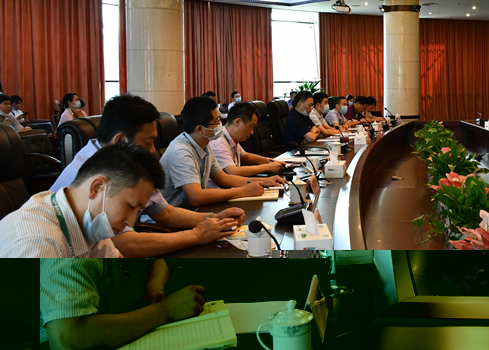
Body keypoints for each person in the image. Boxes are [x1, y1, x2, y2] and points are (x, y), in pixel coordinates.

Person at [48, 94, 246, 258]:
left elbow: (165, 213)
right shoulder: (94, 175)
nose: (152, 151)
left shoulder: (127, 164)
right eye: (147, 143)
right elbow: (125, 244)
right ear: (120, 141)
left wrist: (214, 218)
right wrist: (196, 235)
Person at [0, 142, 164, 258]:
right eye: (130, 206)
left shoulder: (88, 221)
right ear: (97, 188)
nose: (131, 221)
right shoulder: (38, 245)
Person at [40, 258, 207, 350]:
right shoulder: (72, 256)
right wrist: (165, 309)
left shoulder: (118, 228)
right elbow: (66, 341)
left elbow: (155, 260)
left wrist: (154, 287)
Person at [160, 96, 286, 209]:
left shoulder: (204, 143)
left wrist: (264, 181)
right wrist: (244, 191)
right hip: (170, 220)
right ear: (200, 129)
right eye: (216, 122)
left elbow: (223, 178)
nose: (220, 125)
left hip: (194, 210)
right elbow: (196, 197)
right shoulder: (181, 152)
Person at [208, 102, 287, 177]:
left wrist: (271, 161)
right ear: (237, 122)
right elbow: (233, 172)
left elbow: (246, 156)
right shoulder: (218, 142)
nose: (252, 132)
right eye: (251, 126)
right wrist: (268, 167)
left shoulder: (230, 137)